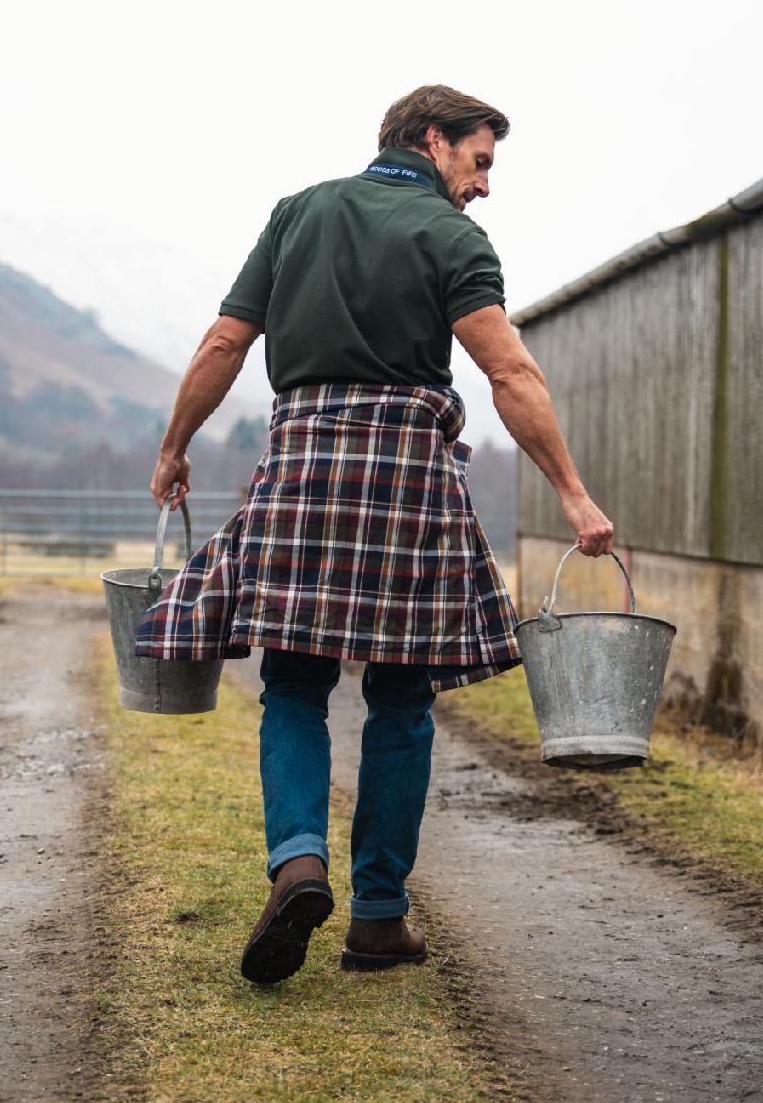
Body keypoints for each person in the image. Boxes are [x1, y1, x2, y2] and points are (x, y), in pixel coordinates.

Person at [137, 84, 613, 985]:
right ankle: (379, 919)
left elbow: (222, 346)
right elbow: (508, 371)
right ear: (434, 142)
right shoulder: (454, 238)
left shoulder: (300, 213)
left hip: (305, 463)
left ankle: (298, 863)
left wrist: (174, 447)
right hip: (405, 477)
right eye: (479, 163)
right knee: (401, 697)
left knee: (295, 683)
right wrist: (574, 494)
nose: (482, 188)